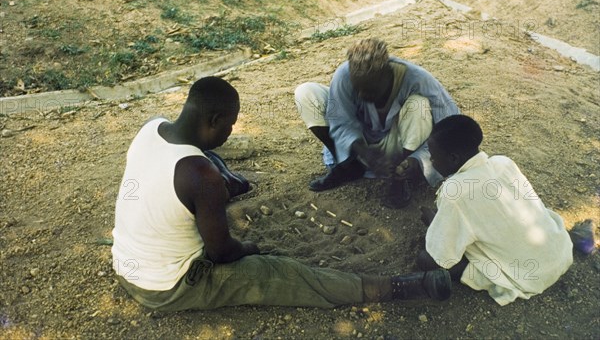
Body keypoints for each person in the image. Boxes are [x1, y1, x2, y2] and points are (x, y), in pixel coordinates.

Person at [111, 76, 452, 311]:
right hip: (168, 287)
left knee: (211, 162)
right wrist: (250, 248)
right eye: (230, 125)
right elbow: (222, 253)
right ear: (214, 119)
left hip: (128, 267)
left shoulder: (151, 128)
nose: (231, 132)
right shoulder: (200, 175)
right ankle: (399, 287)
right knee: (281, 274)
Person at [417, 115, 573, 306]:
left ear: (453, 158)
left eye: (433, 155)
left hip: (532, 275)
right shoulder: (503, 163)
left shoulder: (454, 191)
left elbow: (439, 258)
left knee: (425, 259)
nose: (431, 160)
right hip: (560, 253)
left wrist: (434, 222)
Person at [294, 38, 459, 206]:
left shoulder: (417, 78)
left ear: (388, 74)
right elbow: (340, 120)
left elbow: (449, 125)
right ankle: (348, 166)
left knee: (419, 105)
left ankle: (398, 176)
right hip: (362, 143)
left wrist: (417, 160)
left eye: (371, 89)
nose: (364, 94)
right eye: (359, 88)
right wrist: (364, 152)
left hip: (400, 144)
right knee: (306, 93)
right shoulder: (344, 74)